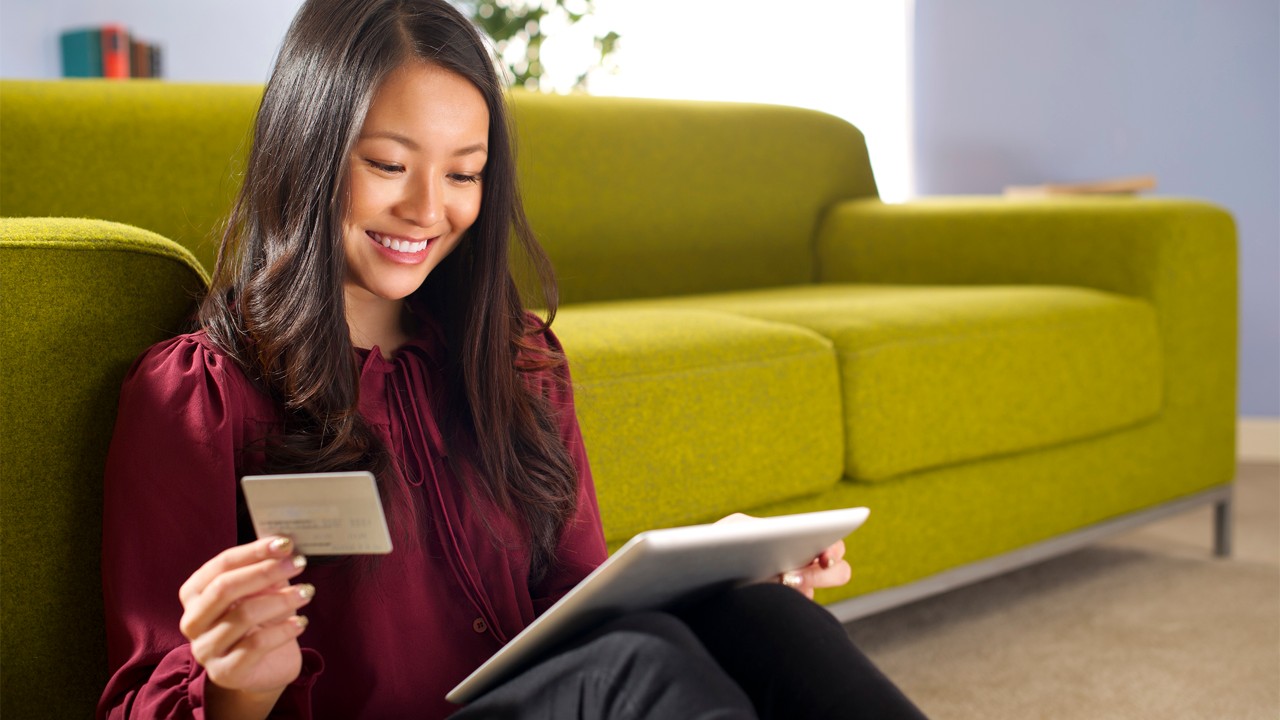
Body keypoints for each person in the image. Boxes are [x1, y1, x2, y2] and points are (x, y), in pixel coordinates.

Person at [97, 1, 928, 718]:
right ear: (307, 152)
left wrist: (717, 573)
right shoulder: (200, 395)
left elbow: (579, 607)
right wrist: (236, 686)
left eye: (465, 174)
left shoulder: (516, 360)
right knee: (637, 674)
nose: (428, 209)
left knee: (765, 621)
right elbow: (145, 696)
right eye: (388, 164)